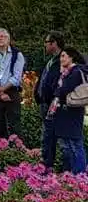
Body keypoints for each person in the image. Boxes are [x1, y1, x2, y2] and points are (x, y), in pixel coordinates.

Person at [46, 47, 87, 174]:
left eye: (64, 56)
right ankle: (69, 172)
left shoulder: (75, 72)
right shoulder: (66, 72)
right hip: (64, 113)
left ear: (71, 57)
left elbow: (62, 91)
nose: (61, 59)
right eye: (61, 56)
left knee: (74, 144)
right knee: (66, 145)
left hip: (71, 113)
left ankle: (79, 174)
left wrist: (59, 89)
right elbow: (55, 88)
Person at [0, 28, 25, 138]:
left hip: (11, 91)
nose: (0, 38)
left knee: (14, 122)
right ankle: (1, 149)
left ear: (8, 39)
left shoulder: (17, 54)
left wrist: (3, 90)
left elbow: (16, 76)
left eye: (3, 36)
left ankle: (17, 148)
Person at [36, 32, 66, 170]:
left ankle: (52, 164)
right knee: (47, 135)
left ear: (54, 43)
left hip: (53, 104)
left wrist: (51, 100)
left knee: (54, 135)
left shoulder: (62, 60)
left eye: (46, 42)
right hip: (44, 102)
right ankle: (47, 162)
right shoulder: (50, 60)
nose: (45, 45)